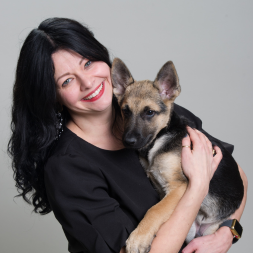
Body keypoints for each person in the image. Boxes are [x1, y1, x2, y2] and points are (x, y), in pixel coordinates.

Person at [8, 17, 247, 253]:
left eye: (88, 63)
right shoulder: (68, 168)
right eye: (67, 81)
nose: (88, 82)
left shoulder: (159, 116)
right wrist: (196, 189)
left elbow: (236, 175)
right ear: (52, 97)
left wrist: (228, 232)